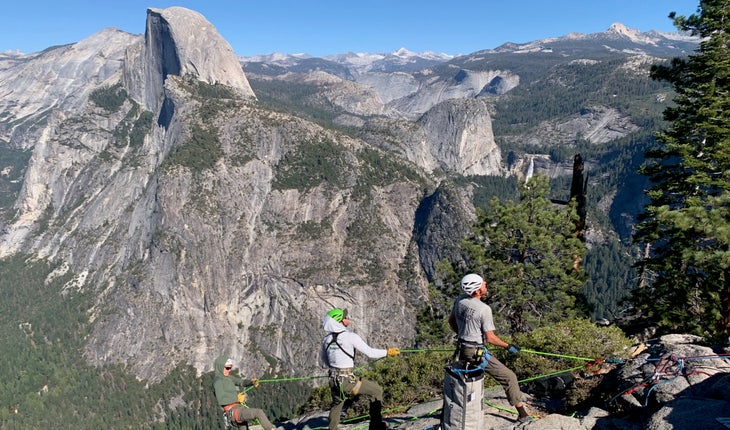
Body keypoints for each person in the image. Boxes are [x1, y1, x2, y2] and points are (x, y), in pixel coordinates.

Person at [448, 273, 534, 423]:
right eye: (483, 284)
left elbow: (451, 321)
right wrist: (509, 346)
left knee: (464, 382)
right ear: (477, 291)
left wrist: (462, 334)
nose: (485, 283)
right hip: (475, 352)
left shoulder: (460, 300)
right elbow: (491, 338)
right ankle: (523, 415)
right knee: (509, 377)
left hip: (462, 348)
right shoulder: (483, 309)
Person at [320, 308, 400, 430]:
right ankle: (376, 425)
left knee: (337, 403)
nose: (348, 318)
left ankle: (332, 428)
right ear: (340, 321)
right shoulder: (350, 337)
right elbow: (370, 353)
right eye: (345, 317)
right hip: (347, 381)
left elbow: (325, 360)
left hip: (333, 380)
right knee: (376, 391)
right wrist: (388, 352)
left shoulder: (326, 340)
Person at [213, 355, 276, 430]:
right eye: (227, 368)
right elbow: (221, 399)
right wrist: (236, 399)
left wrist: (251, 382)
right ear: (220, 367)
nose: (229, 370)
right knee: (258, 413)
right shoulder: (218, 381)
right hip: (233, 411)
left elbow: (241, 382)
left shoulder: (228, 378)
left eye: (230, 367)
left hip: (238, 409)